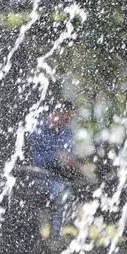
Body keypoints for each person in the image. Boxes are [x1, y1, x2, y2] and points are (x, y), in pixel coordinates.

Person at [30, 101, 85, 238]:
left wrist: (73, 163)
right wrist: (55, 156)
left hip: (59, 177)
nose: (67, 122)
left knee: (79, 189)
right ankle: (54, 237)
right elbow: (35, 161)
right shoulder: (38, 129)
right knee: (61, 191)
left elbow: (67, 154)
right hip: (37, 178)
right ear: (57, 112)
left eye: (70, 119)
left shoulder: (66, 132)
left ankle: (79, 232)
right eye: (66, 118)